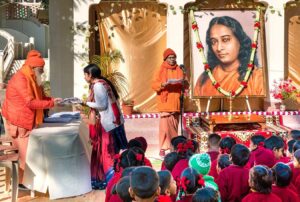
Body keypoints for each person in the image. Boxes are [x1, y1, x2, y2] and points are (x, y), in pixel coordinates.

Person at [1, 50, 62, 185]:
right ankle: (21, 184)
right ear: (33, 68)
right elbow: (30, 102)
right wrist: (52, 103)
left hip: (27, 120)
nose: (42, 72)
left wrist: (53, 100)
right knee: (25, 155)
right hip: (19, 122)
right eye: (41, 69)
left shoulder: (32, 77)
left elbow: (39, 98)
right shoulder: (21, 79)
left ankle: (27, 181)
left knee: (30, 154)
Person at [83, 63, 128, 189]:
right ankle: (115, 179)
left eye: (85, 75)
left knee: (107, 153)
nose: (84, 77)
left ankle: (111, 182)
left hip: (107, 123)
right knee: (112, 151)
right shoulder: (104, 82)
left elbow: (101, 105)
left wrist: (86, 103)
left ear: (90, 75)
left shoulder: (97, 86)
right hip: (114, 121)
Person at [194, 16, 264, 96]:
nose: (219, 48)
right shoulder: (204, 79)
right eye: (214, 42)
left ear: (240, 41)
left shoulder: (257, 77)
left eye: (225, 40)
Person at [152, 48, 188, 157]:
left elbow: (186, 84)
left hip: (175, 103)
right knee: (164, 128)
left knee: (174, 126)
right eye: (170, 58)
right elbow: (154, 85)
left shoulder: (179, 69)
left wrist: (183, 82)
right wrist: (163, 85)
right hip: (165, 103)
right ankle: (163, 147)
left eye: (174, 58)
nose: (172, 60)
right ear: (165, 59)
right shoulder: (160, 70)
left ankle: (174, 146)